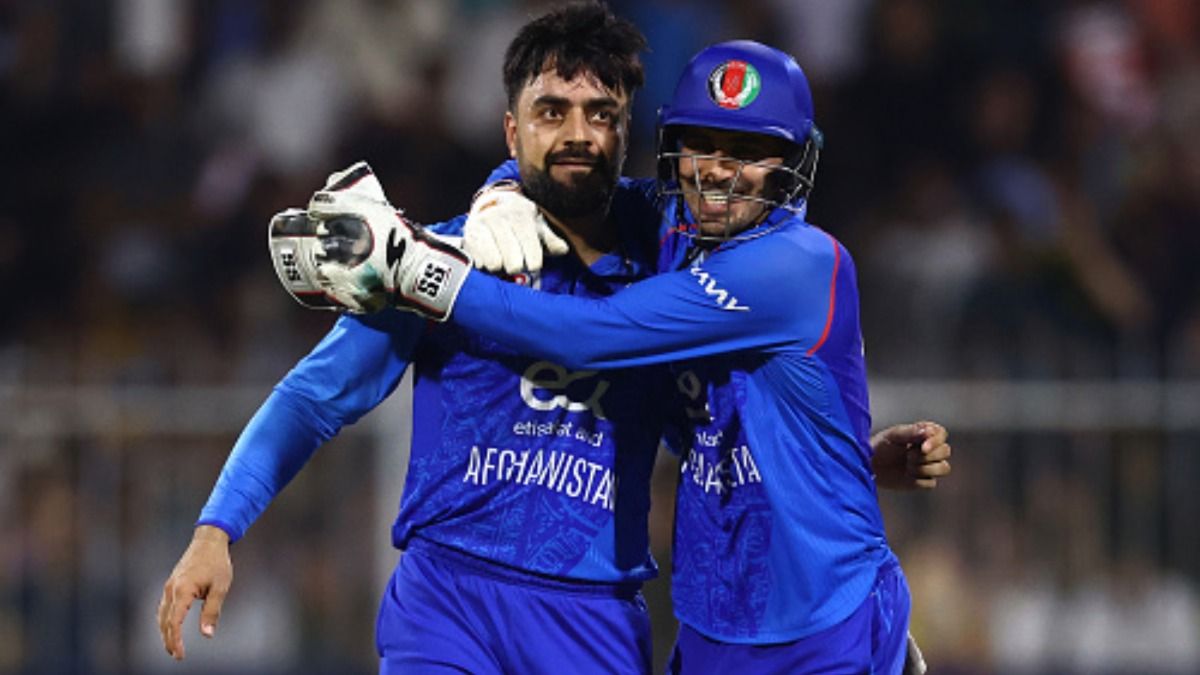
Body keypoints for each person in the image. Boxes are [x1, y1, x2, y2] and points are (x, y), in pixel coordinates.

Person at [307, 37, 939, 674]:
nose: (719, 171)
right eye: (704, 145)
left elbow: (594, 335)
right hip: (715, 618)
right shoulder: (669, 235)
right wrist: (498, 191)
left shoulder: (798, 263)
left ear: (794, 162)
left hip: (822, 619)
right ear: (673, 148)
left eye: (749, 152)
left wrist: (414, 269)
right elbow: (563, 176)